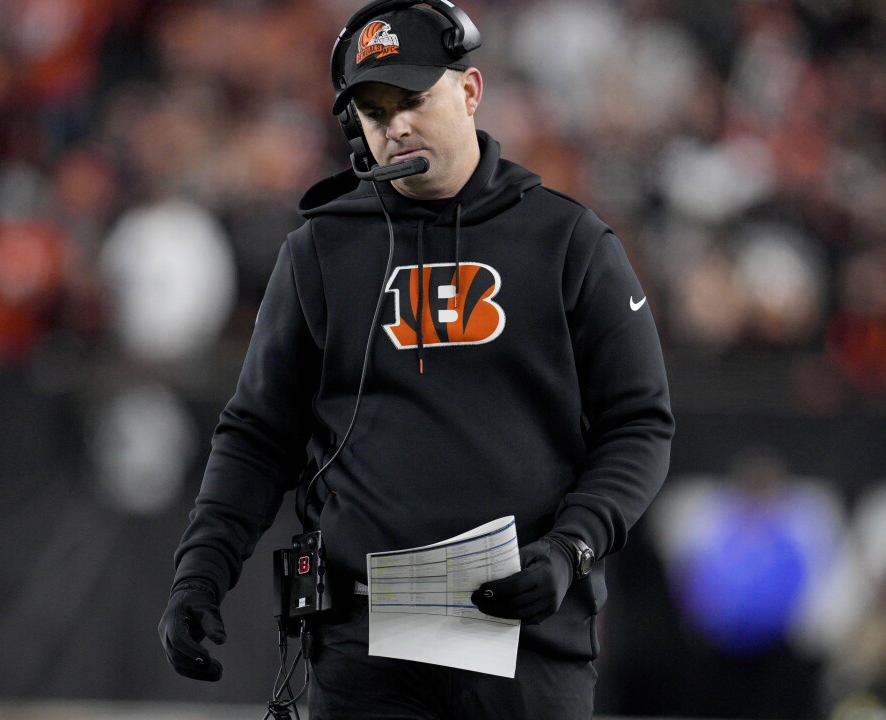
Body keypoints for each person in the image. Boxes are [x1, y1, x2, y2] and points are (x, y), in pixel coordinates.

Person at [157, 2, 674, 718]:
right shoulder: (320, 252)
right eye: (372, 110)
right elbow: (255, 436)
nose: (394, 125)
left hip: (525, 644)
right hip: (364, 650)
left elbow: (640, 426)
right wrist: (200, 575)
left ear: (469, 92)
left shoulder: (568, 243)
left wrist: (570, 549)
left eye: (412, 99)